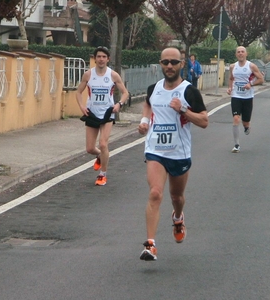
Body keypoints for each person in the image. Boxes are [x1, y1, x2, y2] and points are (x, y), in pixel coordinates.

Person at [138, 47, 208, 261]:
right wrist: (144, 121)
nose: (169, 66)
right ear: (160, 63)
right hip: (155, 151)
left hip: (179, 153)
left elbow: (204, 121)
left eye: (174, 62)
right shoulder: (153, 89)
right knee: (155, 193)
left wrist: (183, 111)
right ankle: (150, 245)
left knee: (176, 197)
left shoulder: (189, 92)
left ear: (182, 64)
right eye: (165, 62)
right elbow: (148, 104)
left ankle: (178, 217)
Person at [75, 46, 129, 186]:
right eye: (98, 56)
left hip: (107, 112)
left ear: (108, 59)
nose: (101, 59)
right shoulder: (88, 74)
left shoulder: (113, 75)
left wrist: (119, 104)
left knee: (103, 144)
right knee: (90, 148)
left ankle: (102, 175)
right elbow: (78, 92)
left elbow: (125, 93)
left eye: (104, 57)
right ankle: (99, 156)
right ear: (95, 59)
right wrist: (82, 106)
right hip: (92, 112)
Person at [226, 46, 264, 153]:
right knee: (236, 118)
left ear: (246, 54)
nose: (240, 54)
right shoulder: (233, 66)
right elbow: (231, 79)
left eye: (242, 52)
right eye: (238, 52)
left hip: (247, 97)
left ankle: (247, 127)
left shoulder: (251, 66)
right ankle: (236, 145)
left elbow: (261, 79)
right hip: (236, 96)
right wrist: (229, 88)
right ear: (236, 54)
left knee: (245, 122)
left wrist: (251, 84)